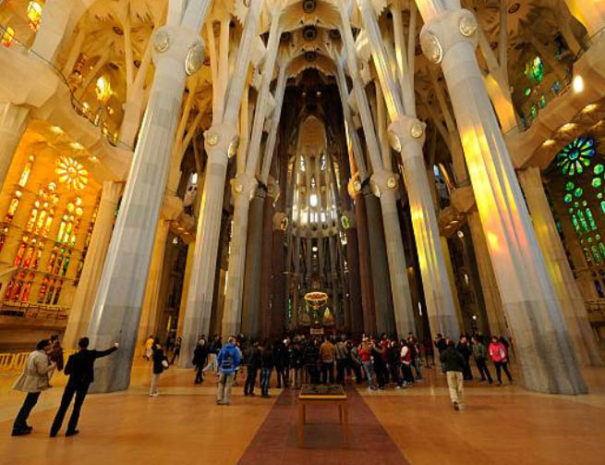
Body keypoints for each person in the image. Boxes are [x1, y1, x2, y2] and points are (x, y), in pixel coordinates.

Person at [50, 338, 119, 437]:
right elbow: (104, 353)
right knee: (77, 407)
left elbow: (66, 372)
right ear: (87, 345)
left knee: (63, 407)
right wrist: (115, 347)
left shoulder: (73, 357)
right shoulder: (91, 354)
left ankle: (54, 430)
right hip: (83, 384)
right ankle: (70, 429)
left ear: (79, 345)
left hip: (72, 383)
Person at [12, 340, 56, 436]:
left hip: (30, 380)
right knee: (28, 404)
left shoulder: (33, 353)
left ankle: (22, 423)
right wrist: (52, 366)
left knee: (28, 403)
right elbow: (42, 371)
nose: (51, 345)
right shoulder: (42, 356)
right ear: (44, 347)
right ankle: (18, 426)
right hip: (36, 383)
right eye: (49, 344)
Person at [440, 340, 466, 410]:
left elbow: (441, 359)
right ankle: (460, 401)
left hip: (449, 371)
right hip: (458, 371)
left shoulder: (445, 352)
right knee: (459, 387)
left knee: (452, 387)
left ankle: (455, 400)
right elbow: (463, 362)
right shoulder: (458, 353)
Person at [216, 336, 241, 405]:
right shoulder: (235, 350)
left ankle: (219, 398)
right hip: (231, 370)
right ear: (232, 342)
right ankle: (226, 400)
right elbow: (238, 360)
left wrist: (220, 365)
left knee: (221, 383)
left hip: (222, 369)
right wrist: (234, 366)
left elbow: (218, 358)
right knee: (228, 385)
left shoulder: (223, 349)